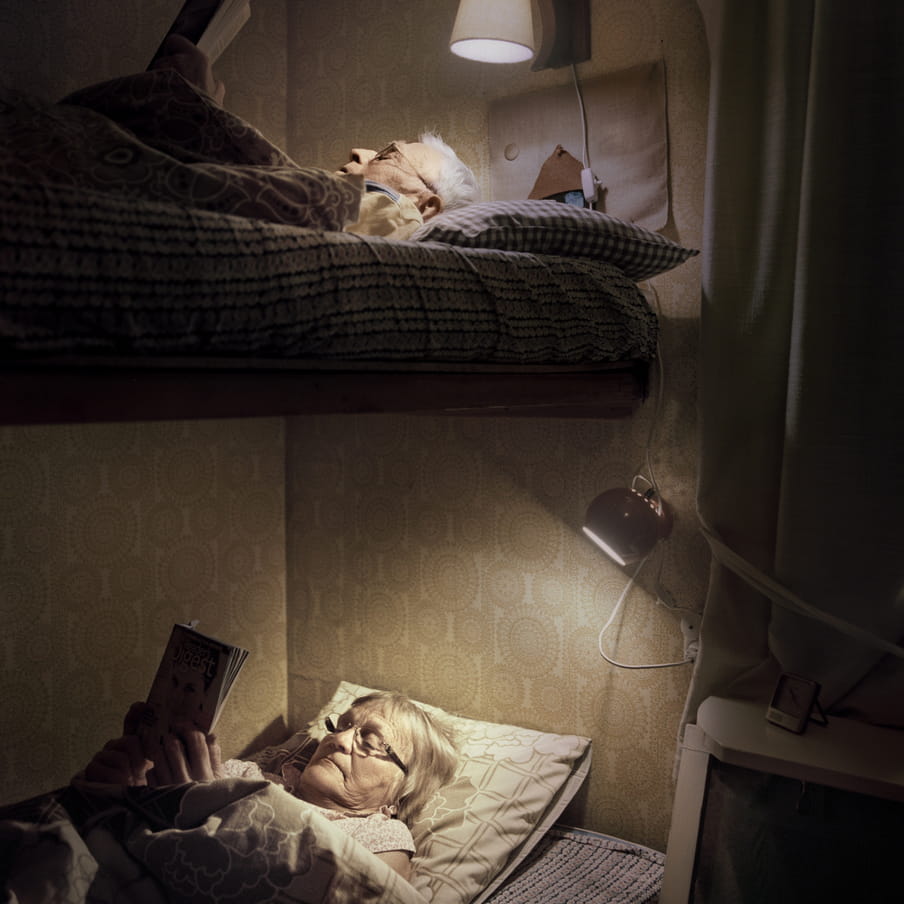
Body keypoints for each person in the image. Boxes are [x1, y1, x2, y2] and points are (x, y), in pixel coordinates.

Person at [81, 690, 459, 881]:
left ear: (399, 795)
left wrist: (200, 815)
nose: (340, 740)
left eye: (372, 741)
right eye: (343, 725)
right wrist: (128, 786)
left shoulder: (381, 837)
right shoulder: (247, 774)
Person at [151, 35, 479, 239]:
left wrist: (202, 110)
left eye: (386, 155)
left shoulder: (400, 212)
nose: (359, 151)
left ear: (426, 204)